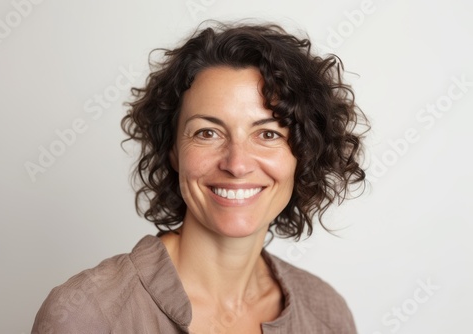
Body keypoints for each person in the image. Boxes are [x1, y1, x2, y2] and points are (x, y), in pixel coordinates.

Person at [32, 21, 367, 334]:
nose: (236, 164)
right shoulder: (87, 314)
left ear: (303, 154)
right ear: (173, 150)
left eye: (267, 135)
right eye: (208, 133)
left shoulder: (326, 316)